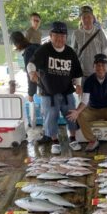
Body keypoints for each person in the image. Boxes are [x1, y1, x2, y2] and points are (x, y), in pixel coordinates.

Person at [27, 21, 83, 154]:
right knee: (50, 118)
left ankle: (73, 138)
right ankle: (55, 141)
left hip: (67, 92)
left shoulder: (70, 52)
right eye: (56, 35)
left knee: (71, 116)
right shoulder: (44, 49)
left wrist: (79, 84)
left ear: (66, 37)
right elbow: (31, 64)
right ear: (51, 35)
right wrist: (31, 73)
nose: (59, 38)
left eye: (63, 36)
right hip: (48, 93)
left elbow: (77, 72)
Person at [71, 6, 107, 86]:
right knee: (83, 98)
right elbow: (73, 55)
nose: (86, 20)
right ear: (80, 19)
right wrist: (73, 74)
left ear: (93, 18)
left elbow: (105, 53)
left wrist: (106, 71)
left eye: (89, 17)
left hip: (98, 73)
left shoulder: (99, 33)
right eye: (84, 17)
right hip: (82, 75)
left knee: (98, 98)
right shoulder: (76, 33)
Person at [10, 31, 40, 102]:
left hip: (47, 85)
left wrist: (31, 94)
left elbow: (31, 76)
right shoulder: (36, 46)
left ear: (16, 44)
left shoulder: (28, 52)